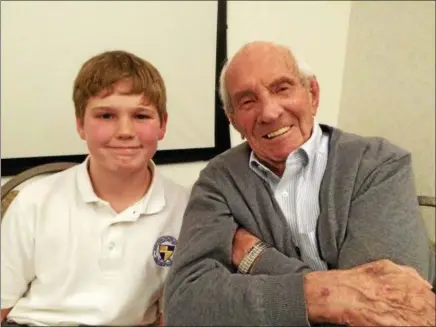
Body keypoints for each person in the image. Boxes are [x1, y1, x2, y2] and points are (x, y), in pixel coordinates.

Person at [163, 41, 436, 326]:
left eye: (282, 88)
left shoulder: (379, 165)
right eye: (247, 101)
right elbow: (184, 304)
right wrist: (333, 296)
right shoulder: (218, 181)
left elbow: (394, 308)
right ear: (233, 120)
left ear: (312, 94)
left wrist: (257, 258)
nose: (269, 112)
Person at [1, 50, 189, 326]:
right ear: (80, 125)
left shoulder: (186, 209)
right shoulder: (34, 202)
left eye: (141, 116)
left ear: (163, 125)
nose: (125, 131)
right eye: (106, 116)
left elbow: (172, 313)